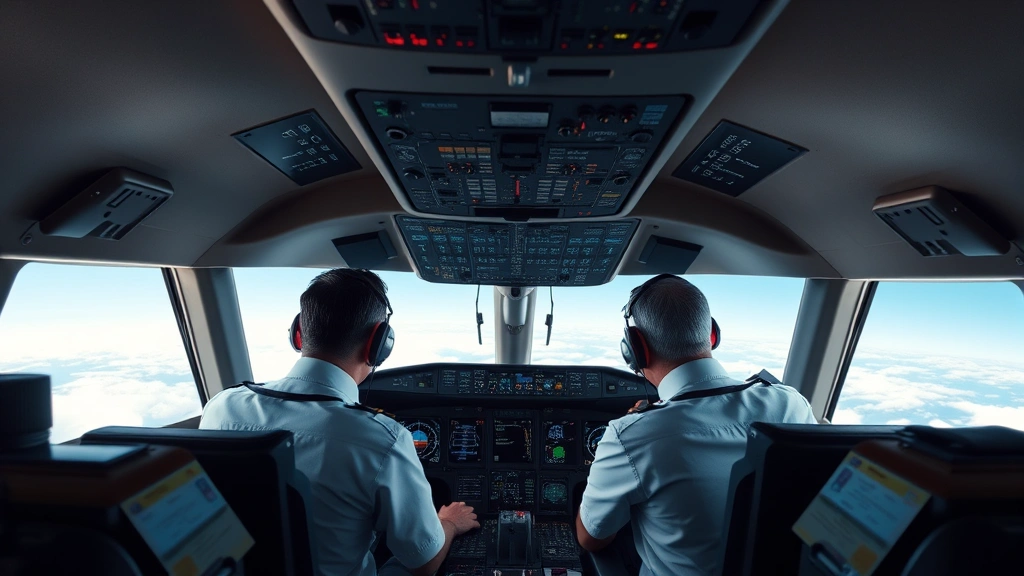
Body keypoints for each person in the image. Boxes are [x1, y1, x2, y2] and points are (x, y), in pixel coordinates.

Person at [201, 268, 479, 576]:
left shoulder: (221, 407)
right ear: (378, 343)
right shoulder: (382, 440)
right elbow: (424, 562)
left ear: (298, 333)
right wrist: (449, 523)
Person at [575, 274, 817, 576]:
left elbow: (591, 538)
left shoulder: (631, 436)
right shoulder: (790, 404)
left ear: (637, 349)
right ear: (712, 334)